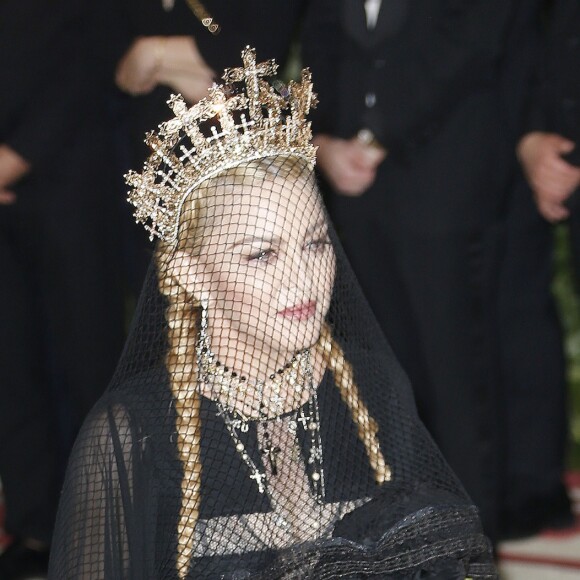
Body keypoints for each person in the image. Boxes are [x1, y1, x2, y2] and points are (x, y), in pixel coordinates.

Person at [47, 48, 496, 578]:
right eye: (261, 254)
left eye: (315, 243)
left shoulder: (375, 387)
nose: (303, 277)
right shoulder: (134, 433)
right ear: (191, 275)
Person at [301, 0, 520, 541]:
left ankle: (467, 553)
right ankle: (396, 544)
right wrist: (324, 140)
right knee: (375, 379)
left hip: (442, 184)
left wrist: (376, 136)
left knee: (454, 381)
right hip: (354, 188)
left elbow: (470, 45)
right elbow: (322, 43)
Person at [0, 0, 125, 576]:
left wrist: (15, 158)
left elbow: (91, 56)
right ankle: (37, 525)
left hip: (70, 181)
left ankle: (105, 526)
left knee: (86, 363)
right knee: (11, 369)